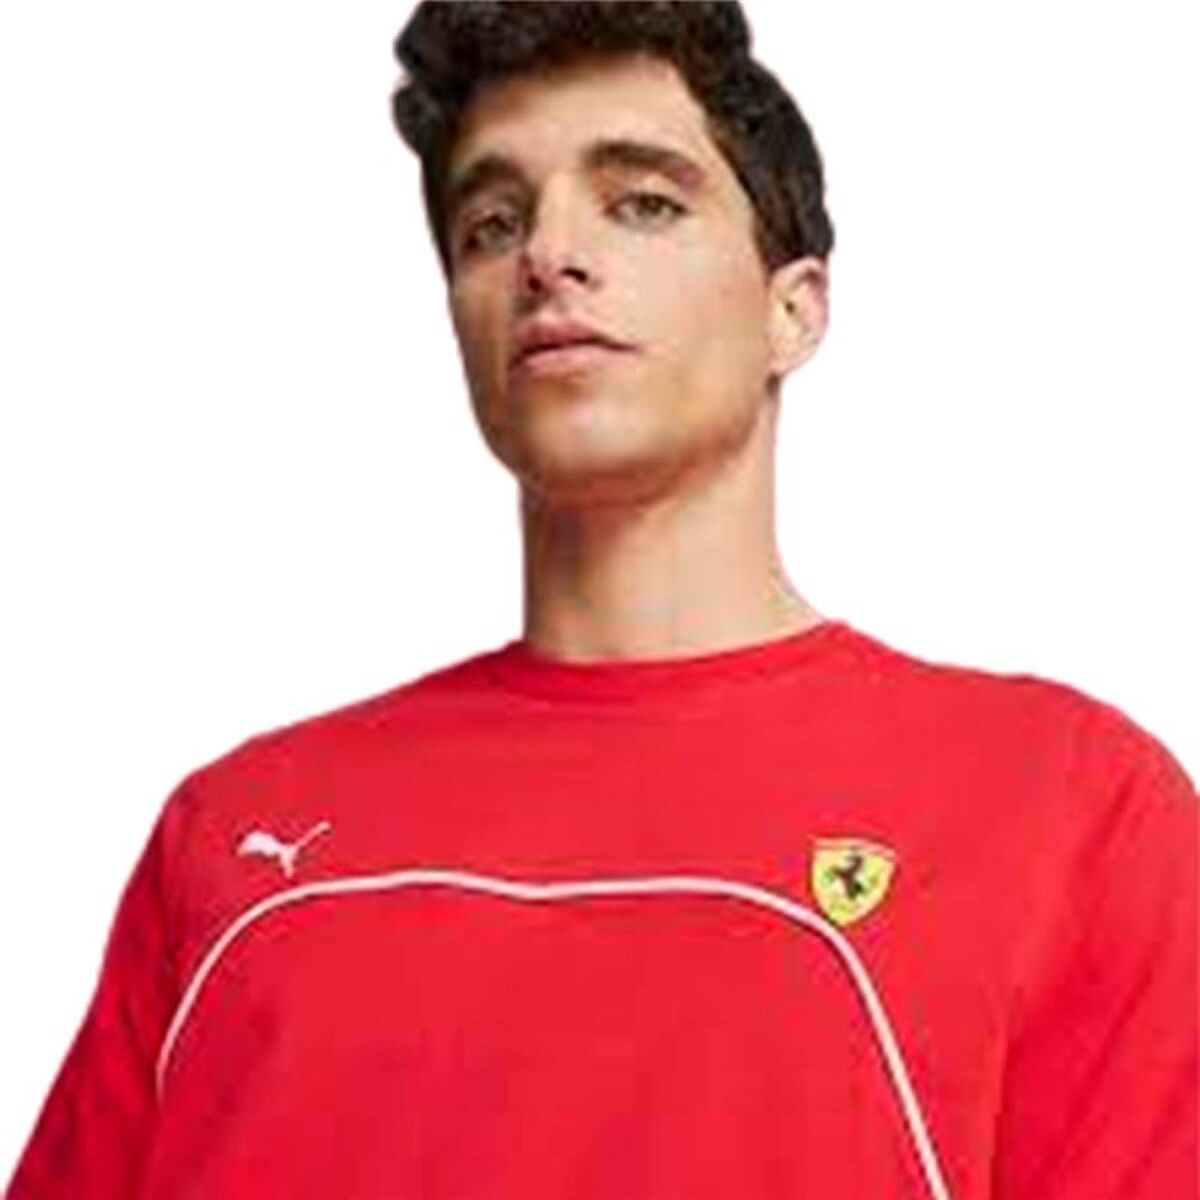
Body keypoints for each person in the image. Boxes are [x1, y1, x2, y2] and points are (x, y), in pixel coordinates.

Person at [7, 3, 1196, 1197]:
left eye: (643, 203)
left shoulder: (1061, 805)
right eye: (492, 222)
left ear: (794, 309)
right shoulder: (236, 834)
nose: (549, 254)